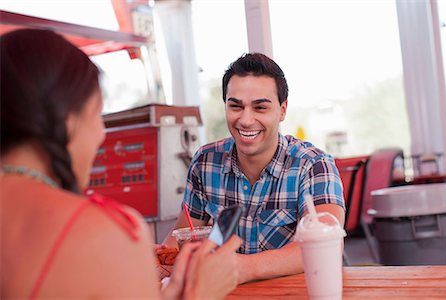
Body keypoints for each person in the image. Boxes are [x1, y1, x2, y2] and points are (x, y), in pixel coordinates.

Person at [0, 28, 240, 299]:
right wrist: (200, 293)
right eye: (96, 116)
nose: (102, 134)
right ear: (67, 121)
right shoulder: (107, 234)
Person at [163, 53, 345, 284]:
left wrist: (240, 268)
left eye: (260, 108)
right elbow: (183, 235)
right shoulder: (205, 162)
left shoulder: (313, 165)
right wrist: (160, 254)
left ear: (282, 110)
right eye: (236, 107)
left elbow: (327, 246)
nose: (246, 120)